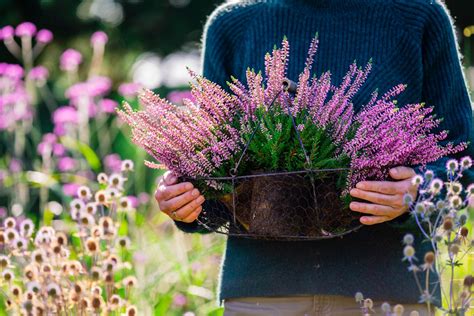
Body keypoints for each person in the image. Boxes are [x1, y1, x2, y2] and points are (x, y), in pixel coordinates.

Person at [155, 0, 472, 314]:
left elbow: (463, 159)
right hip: (262, 298)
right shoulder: (234, 24)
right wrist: (186, 200)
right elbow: (212, 167)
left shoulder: (418, 16)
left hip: (387, 295)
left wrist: (418, 191)